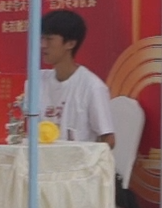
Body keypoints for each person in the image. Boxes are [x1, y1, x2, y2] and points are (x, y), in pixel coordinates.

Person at [38, 10, 114, 147]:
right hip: (40, 157)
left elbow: (108, 140)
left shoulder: (92, 87)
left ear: (70, 43)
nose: (43, 45)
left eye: (49, 39)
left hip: (75, 159)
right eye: (42, 38)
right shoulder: (37, 81)